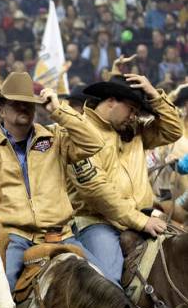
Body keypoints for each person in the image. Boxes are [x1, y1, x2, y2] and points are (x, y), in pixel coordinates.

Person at [0, 72, 103, 288]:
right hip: (12, 237)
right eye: (16, 103)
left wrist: (58, 111)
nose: (24, 108)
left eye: (29, 104)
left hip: (61, 235)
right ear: (2, 110)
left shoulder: (56, 138)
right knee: (2, 290)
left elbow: (94, 143)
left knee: (107, 287)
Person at [66, 73, 182, 284]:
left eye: (137, 112)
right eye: (132, 109)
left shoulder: (133, 130)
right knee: (110, 282)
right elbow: (99, 193)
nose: (134, 117)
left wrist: (155, 96)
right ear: (111, 101)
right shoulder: (80, 132)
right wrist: (142, 222)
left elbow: (174, 130)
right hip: (97, 221)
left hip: (141, 216)